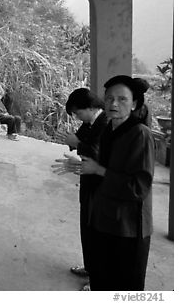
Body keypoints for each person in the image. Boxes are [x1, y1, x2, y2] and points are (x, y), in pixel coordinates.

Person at [79, 75, 155, 291]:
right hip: (105, 219)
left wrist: (99, 169)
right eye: (109, 98)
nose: (113, 104)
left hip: (128, 227)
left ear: (135, 104)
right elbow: (103, 171)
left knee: (124, 286)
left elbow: (139, 187)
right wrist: (85, 167)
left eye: (122, 99)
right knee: (103, 279)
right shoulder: (109, 130)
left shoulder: (141, 134)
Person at [56, 88, 108, 291]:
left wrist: (77, 143)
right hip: (88, 181)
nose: (77, 117)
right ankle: (90, 267)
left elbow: (98, 152)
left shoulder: (105, 123)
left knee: (97, 232)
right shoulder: (89, 122)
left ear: (90, 107)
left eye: (78, 113)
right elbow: (79, 142)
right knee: (86, 227)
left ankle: (98, 281)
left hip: (101, 186)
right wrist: (73, 143)